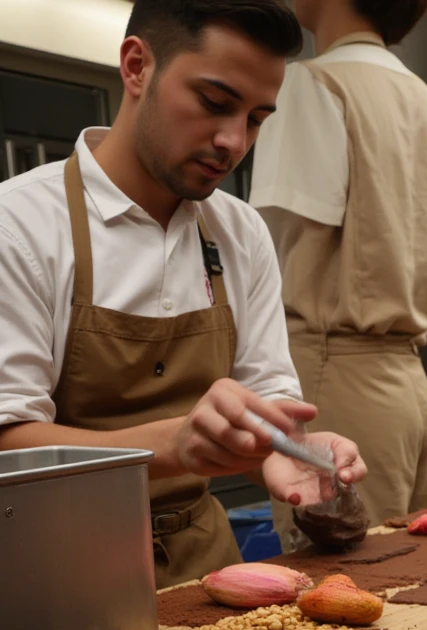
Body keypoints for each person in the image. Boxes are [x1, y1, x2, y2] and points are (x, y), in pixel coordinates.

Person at [0, 0, 366, 589]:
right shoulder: (18, 226)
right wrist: (174, 444)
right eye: (215, 103)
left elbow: (265, 402)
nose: (233, 141)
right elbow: (10, 447)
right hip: (56, 575)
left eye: (256, 119)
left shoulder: (240, 231)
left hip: (207, 570)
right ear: (136, 66)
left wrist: (287, 449)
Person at [249, 0, 427, 534]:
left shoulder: (309, 85)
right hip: (412, 388)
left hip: (335, 378)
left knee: (339, 577)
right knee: (408, 570)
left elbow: (259, 250)